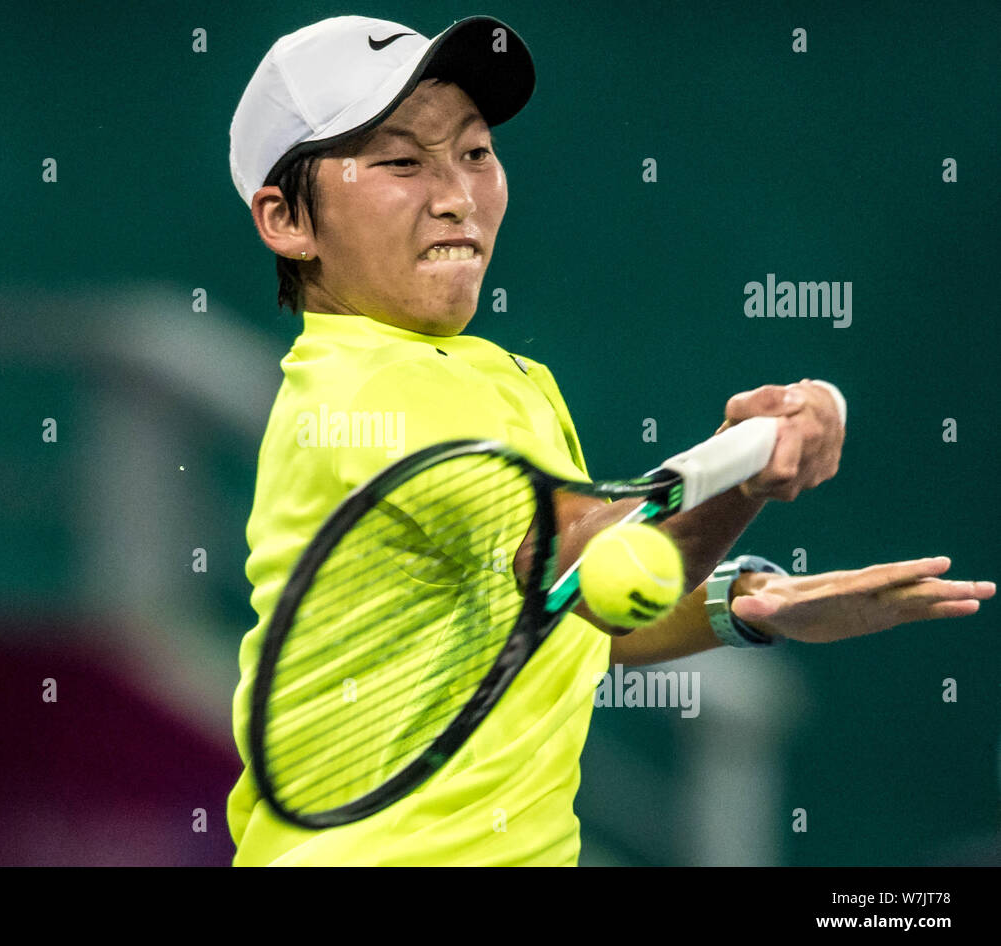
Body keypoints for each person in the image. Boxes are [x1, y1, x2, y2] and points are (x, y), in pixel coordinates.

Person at [225, 15, 994, 865]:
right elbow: (584, 568)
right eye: (401, 163)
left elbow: (575, 612)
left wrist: (740, 607)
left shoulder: (496, 377)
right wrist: (744, 473)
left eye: (475, 153)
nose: (456, 194)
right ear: (286, 219)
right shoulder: (370, 394)